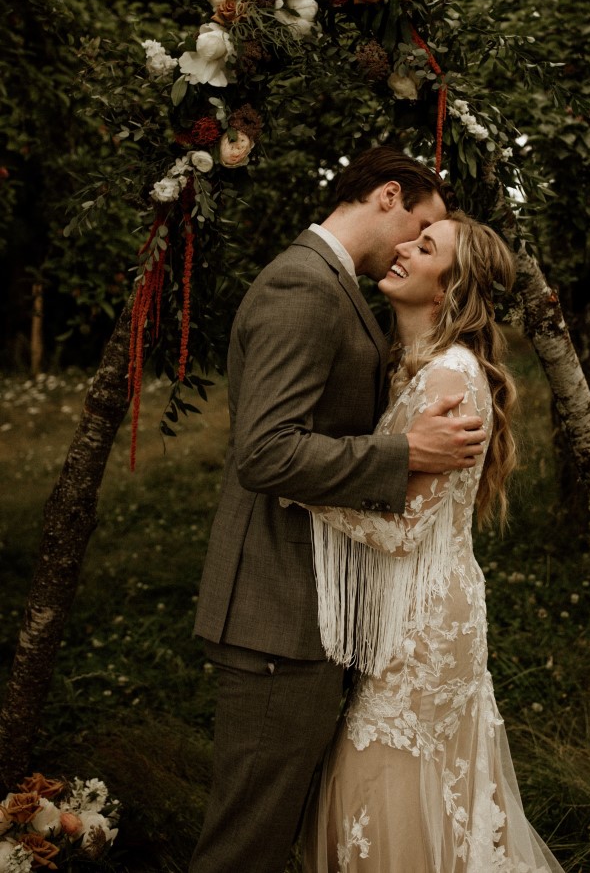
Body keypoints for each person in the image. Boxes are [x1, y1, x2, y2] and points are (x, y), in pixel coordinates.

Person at [190, 148, 489, 873]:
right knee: (245, 844)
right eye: (419, 228)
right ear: (388, 195)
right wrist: (402, 453)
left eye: (431, 246)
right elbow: (264, 454)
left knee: (270, 833)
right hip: (276, 615)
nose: (413, 249)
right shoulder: (304, 285)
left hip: (314, 612)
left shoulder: (335, 287)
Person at [295, 212, 565, 872]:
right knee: (404, 782)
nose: (401, 250)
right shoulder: (413, 366)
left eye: (424, 248)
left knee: (382, 774)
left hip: (424, 621)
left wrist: (299, 484)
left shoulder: (449, 374)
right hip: (413, 604)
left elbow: (400, 527)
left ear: (445, 289)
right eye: (411, 239)